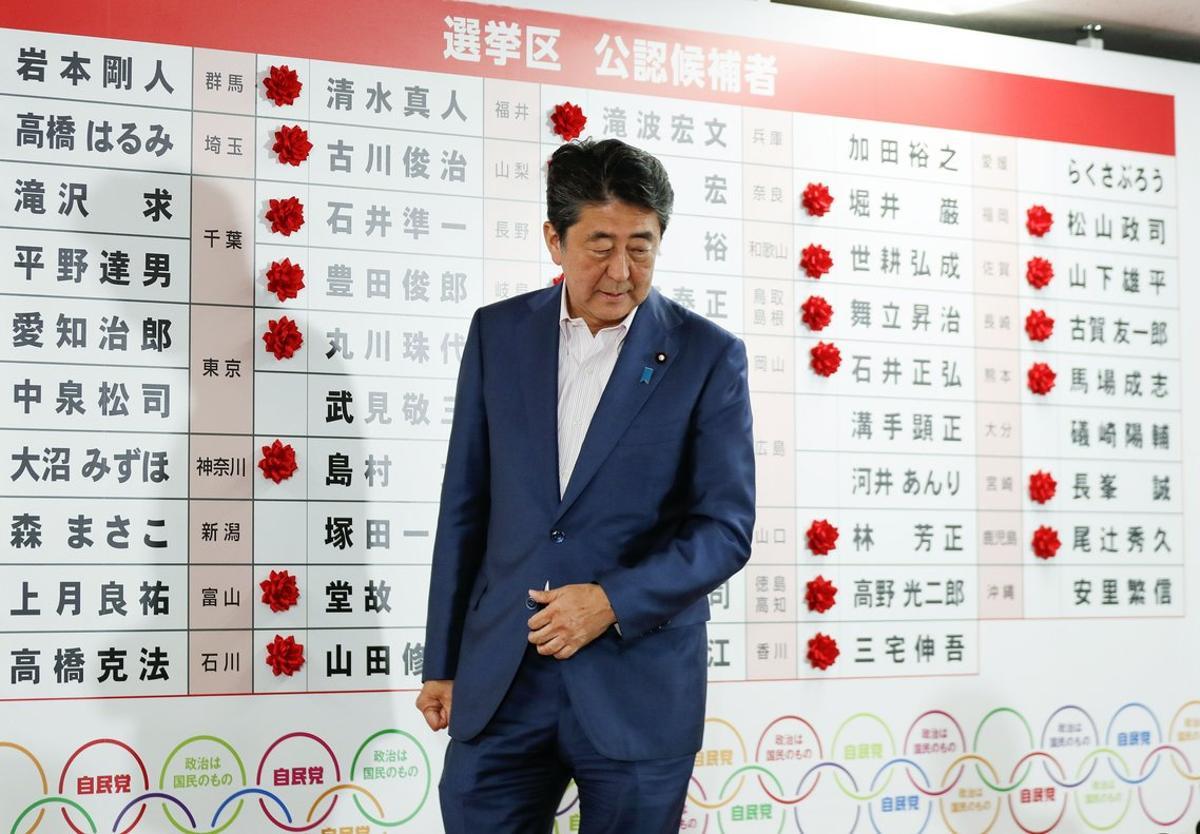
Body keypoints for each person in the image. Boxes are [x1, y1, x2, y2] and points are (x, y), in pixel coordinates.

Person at [416, 137, 756, 833]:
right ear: (554, 239)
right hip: (502, 681)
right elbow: (465, 507)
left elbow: (725, 528)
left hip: (637, 684)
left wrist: (611, 601)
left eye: (642, 246)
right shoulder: (497, 335)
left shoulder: (708, 356)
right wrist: (443, 662)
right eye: (600, 245)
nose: (622, 270)